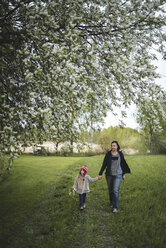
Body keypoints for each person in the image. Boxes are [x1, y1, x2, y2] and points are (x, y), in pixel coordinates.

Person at [98, 141, 131, 213]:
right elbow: (104, 164)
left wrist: (123, 174)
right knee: (110, 190)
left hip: (118, 175)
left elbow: (123, 164)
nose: (113, 147)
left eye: (114, 146)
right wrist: (100, 173)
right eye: (112, 146)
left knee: (115, 190)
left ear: (117, 146)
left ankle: (115, 207)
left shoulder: (120, 154)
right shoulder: (108, 154)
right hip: (109, 175)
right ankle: (111, 201)